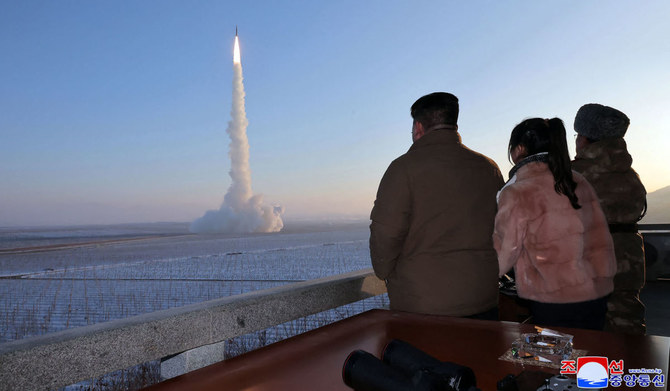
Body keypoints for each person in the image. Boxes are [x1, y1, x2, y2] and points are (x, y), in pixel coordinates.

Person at [369, 92, 504, 318]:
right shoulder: (488, 168)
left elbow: (385, 235)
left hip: (422, 306)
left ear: (418, 127)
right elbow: (501, 229)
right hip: (483, 298)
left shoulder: (403, 169)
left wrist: (385, 271)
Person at [494, 117, 616, 330]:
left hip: (553, 296)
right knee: (589, 357)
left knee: (557, 360)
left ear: (519, 149)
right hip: (595, 291)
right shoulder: (578, 179)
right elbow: (600, 236)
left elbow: (505, 252)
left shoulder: (516, 191)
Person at [572, 103, 647, 335]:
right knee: (627, 320)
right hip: (630, 255)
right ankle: (630, 366)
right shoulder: (630, 174)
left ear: (584, 138)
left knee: (587, 329)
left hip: (591, 256)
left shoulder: (573, 174)